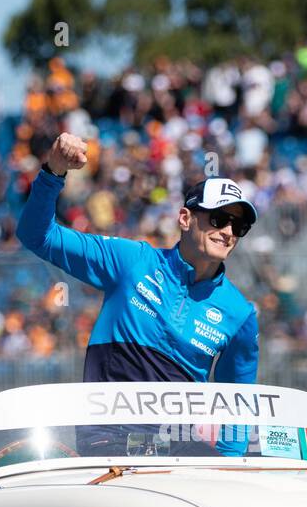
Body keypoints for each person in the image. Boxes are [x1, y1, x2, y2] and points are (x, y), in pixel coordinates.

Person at [17, 132, 260, 454]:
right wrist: (53, 172)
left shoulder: (240, 314)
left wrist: (229, 468)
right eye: (219, 219)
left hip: (179, 455)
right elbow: (37, 236)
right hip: (108, 447)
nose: (228, 232)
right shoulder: (131, 261)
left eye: (239, 227)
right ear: (185, 218)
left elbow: (237, 410)